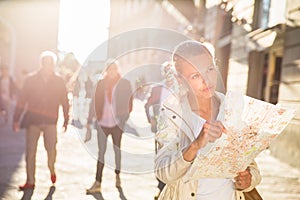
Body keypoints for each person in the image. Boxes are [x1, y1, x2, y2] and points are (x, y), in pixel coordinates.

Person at [154, 40, 261, 200]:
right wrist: (196, 145)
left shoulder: (232, 108)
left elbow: (250, 166)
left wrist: (249, 179)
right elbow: (164, 173)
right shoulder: (172, 113)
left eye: (210, 69)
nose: (207, 80)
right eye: (195, 75)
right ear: (181, 79)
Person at [13, 51, 69, 190]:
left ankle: (52, 168)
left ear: (54, 65)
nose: (48, 66)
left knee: (51, 149)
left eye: (51, 63)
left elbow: (65, 101)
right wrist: (16, 119)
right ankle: (30, 181)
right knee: (30, 152)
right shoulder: (31, 80)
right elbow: (22, 100)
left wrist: (66, 118)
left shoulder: (59, 81)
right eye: (45, 63)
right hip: (33, 121)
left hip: (50, 121)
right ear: (41, 64)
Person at [86, 59, 133, 194]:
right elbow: (93, 102)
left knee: (117, 150)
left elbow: (130, 102)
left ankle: (117, 175)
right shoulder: (101, 83)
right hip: (102, 123)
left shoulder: (124, 83)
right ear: (106, 70)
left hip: (117, 123)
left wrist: (124, 118)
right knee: (101, 153)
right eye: (109, 69)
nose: (111, 72)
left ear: (117, 70)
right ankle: (97, 182)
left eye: (114, 69)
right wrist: (90, 120)